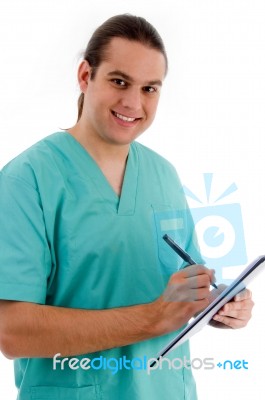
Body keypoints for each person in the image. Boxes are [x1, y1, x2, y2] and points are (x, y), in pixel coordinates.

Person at [0, 14, 253, 400]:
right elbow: (12, 331)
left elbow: (189, 292)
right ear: (86, 76)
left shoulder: (163, 175)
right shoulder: (27, 179)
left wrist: (221, 307)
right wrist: (152, 318)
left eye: (150, 88)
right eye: (119, 81)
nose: (134, 103)